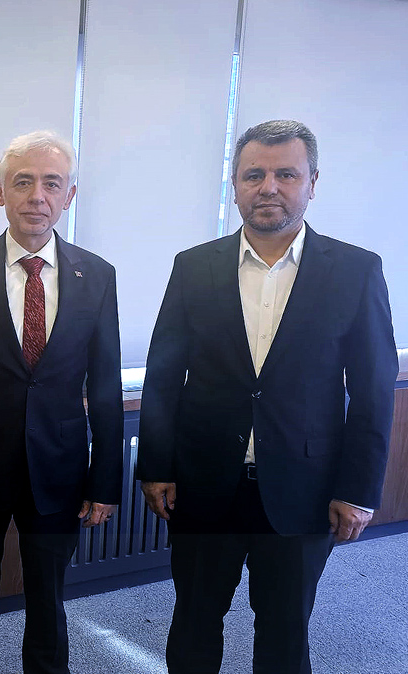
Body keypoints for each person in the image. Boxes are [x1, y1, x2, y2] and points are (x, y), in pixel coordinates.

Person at [137, 119, 397, 674]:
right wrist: (156, 467)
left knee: (284, 633)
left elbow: (373, 391)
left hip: (304, 488)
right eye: (253, 174)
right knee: (194, 624)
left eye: (286, 174)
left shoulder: (356, 271)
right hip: (205, 485)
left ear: (312, 182)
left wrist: (358, 489)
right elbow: (163, 377)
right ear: (235, 184)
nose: (268, 187)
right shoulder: (194, 266)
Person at [0, 130, 123, 674]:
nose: (37, 196)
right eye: (23, 182)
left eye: (51, 184)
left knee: (48, 598)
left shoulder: (97, 276)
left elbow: (105, 386)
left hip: (59, 468)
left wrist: (105, 482)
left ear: (69, 196)